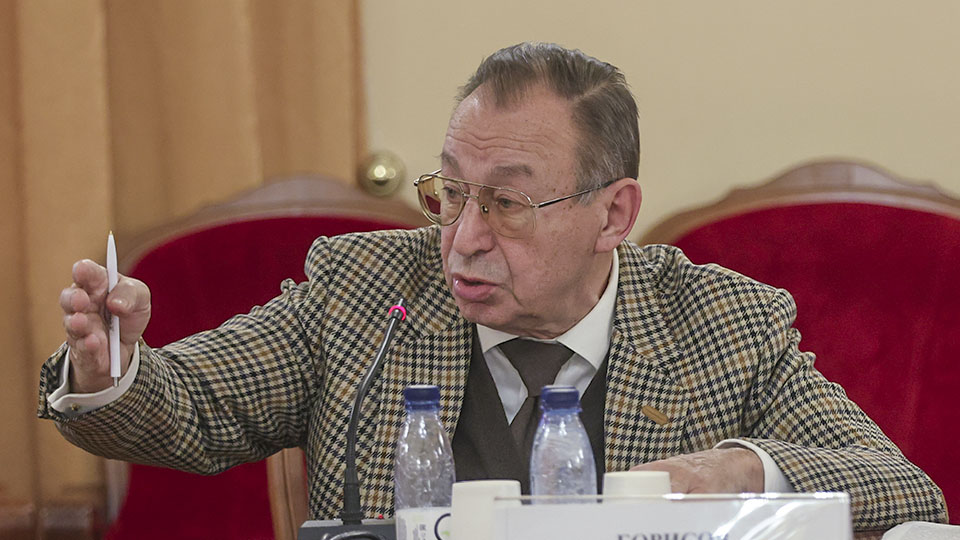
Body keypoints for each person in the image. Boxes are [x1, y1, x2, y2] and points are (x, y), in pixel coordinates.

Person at [39, 42, 946, 530]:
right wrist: (111, 370)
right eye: (450, 194)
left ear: (614, 213)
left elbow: (904, 489)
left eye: (507, 203)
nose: (463, 239)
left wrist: (740, 470)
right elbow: (193, 408)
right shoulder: (365, 289)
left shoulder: (720, 324)